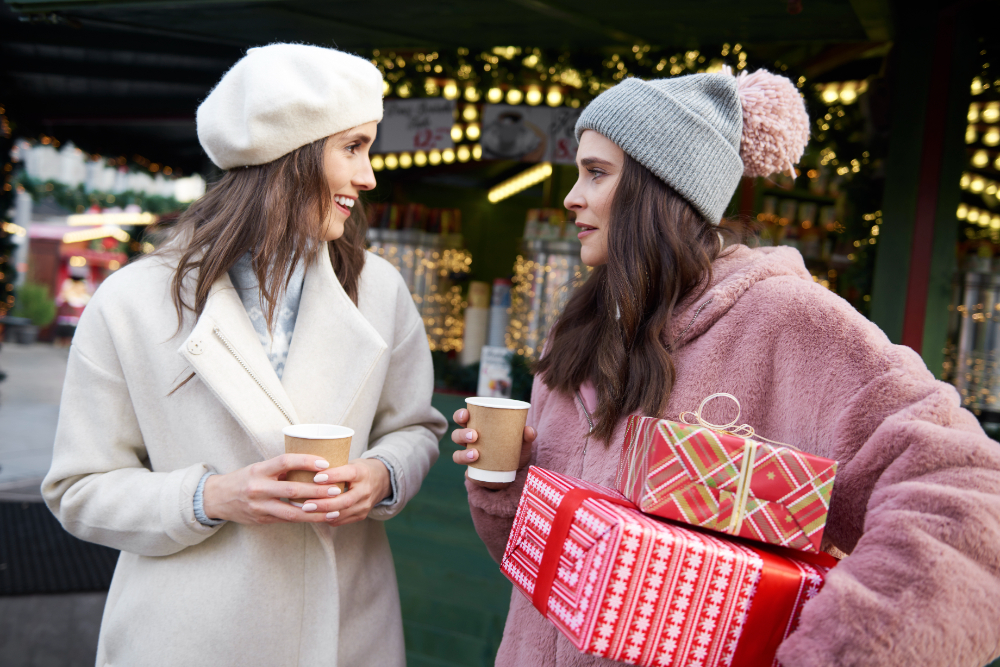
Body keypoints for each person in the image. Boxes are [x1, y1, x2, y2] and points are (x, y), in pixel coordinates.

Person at [451, 68, 1000, 667]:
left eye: (597, 173)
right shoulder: (579, 329)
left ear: (662, 189)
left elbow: (970, 505)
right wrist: (507, 484)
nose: (571, 196)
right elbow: (553, 583)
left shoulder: (787, 320)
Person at [42, 43, 446, 666]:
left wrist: (382, 476)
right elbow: (78, 489)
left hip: (346, 631)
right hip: (188, 638)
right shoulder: (130, 302)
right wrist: (210, 498)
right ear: (291, 153)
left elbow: (414, 428)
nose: (369, 178)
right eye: (354, 148)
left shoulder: (379, 290)